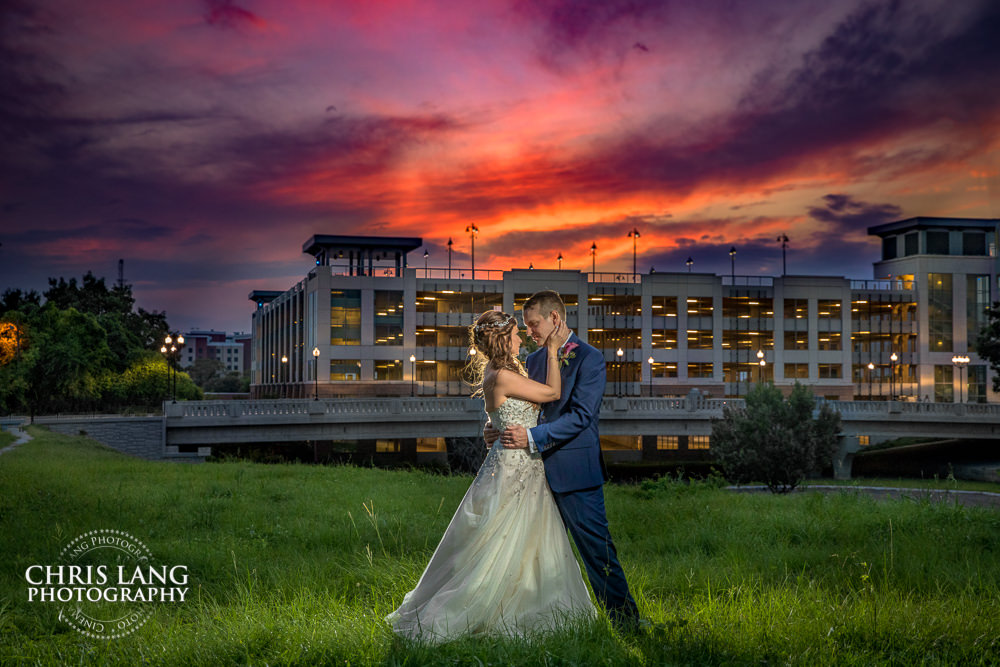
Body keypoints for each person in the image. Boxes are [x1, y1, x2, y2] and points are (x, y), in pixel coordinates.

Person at [386, 310, 596, 643]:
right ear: (501, 338)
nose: (521, 338)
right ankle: (472, 610)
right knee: (500, 540)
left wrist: (493, 428)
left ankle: (532, 597)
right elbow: (552, 394)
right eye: (514, 333)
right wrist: (554, 351)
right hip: (514, 468)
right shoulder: (501, 374)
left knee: (528, 539)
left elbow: (508, 413)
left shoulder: (508, 370)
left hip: (524, 462)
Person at [486, 290, 640, 632]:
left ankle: (626, 623)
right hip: (534, 475)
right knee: (536, 555)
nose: (529, 332)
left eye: (534, 324)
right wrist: (496, 428)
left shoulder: (591, 358)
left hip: (575, 474)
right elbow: (526, 406)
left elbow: (582, 416)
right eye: (525, 327)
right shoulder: (537, 360)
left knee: (597, 553)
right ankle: (546, 622)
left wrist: (532, 437)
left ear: (555, 318)